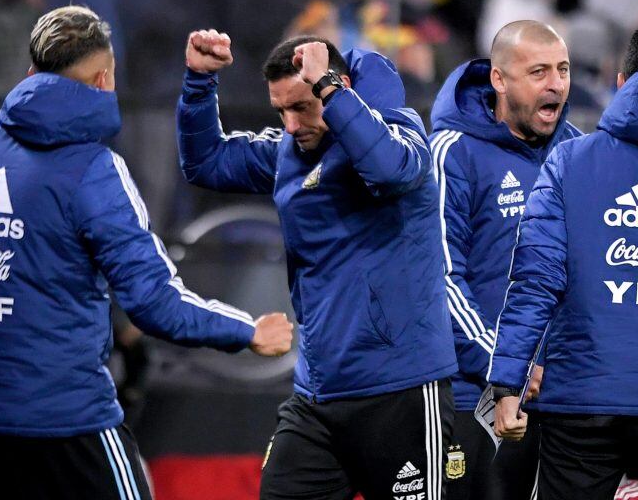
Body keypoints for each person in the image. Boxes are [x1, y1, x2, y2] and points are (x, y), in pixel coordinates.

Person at [0, 6, 294, 500]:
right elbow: (155, 304)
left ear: (30, 73)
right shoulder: (94, 169)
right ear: (106, 78)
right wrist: (247, 331)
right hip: (69, 425)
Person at [178, 29, 459, 499]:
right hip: (317, 395)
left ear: (337, 88)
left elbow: (391, 171)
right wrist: (198, 84)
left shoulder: (401, 130)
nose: (290, 124)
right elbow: (206, 163)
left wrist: (329, 89)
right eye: (280, 110)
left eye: (302, 107)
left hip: (401, 392)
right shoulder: (289, 150)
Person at [489, 23, 638, 500]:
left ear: (621, 82)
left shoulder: (568, 161)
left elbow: (533, 281)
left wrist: (508, 384)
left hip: (583, 401)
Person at [429, 20, 581, 500]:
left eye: (562, 69)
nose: (555, 83)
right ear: (499, 79)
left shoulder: (579, 153)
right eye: (538, 71)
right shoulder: (453, 154)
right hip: (475, 395)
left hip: (563, 399)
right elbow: (441, 280)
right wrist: (506, 369)